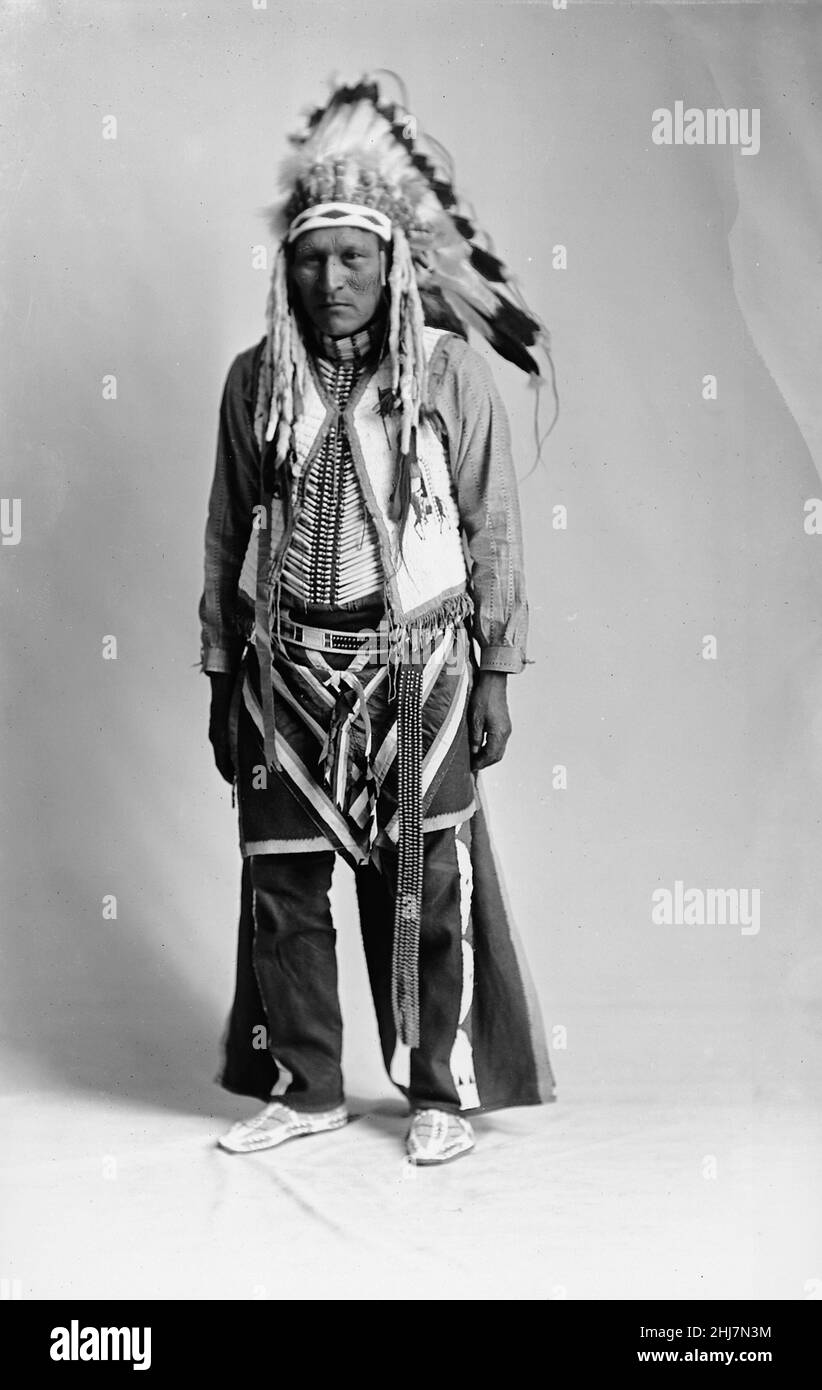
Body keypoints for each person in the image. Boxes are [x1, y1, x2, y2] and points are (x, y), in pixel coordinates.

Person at [199, 74, 556, 1166]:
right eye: (311, 258)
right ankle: (307, 1086)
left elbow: (492, 524)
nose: (331, 277)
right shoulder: (256, 379)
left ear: (391, 261)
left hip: (422, 669)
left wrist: (495, 669)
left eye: (353, 255)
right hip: (288, 670)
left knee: (425, 882)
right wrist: (221, 675)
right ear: (288, 270)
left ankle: (435, 1088)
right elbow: (225, 536)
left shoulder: (446, 374)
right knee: (285, 881)